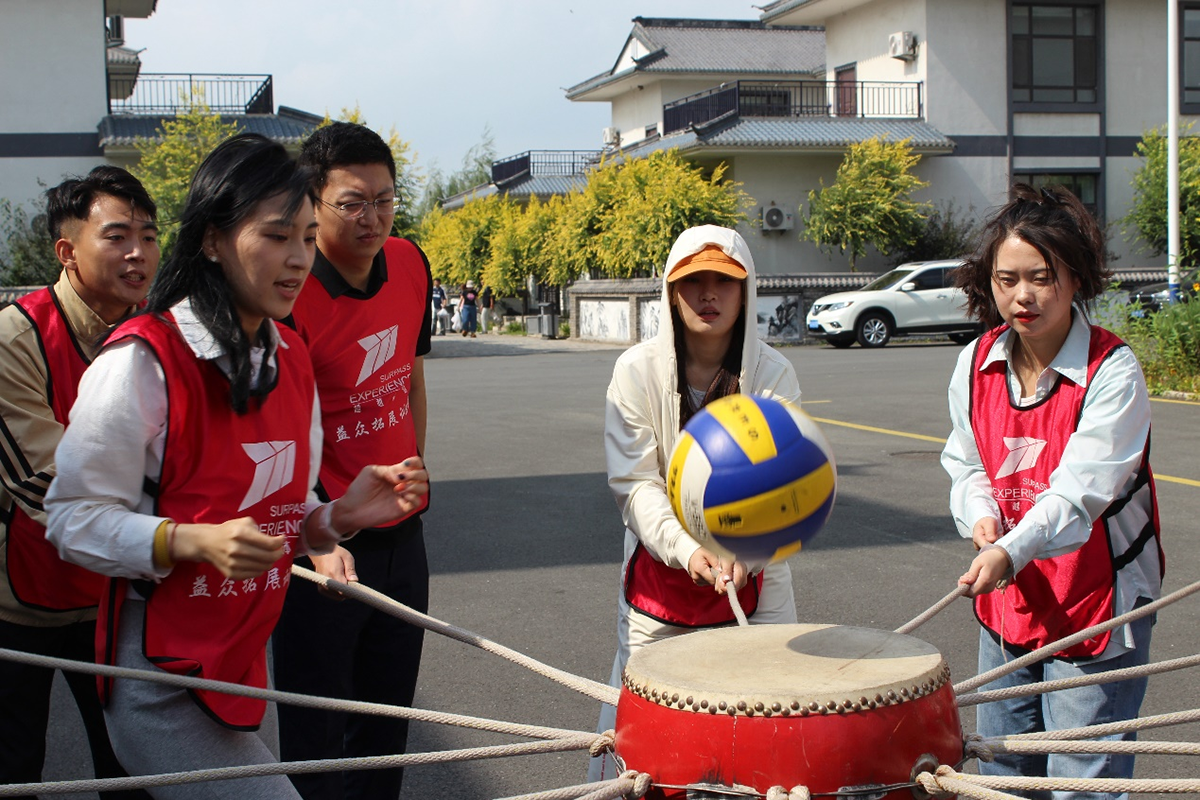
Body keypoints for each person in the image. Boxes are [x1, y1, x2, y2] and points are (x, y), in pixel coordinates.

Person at [44, 134, 429, 800]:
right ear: (213, 239)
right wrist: (190, 541)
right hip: (158, 678)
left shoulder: (289, 358)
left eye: (305, 237)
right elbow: (70, 518)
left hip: (236, 667)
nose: (298, 258)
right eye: (276, 236)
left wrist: (336, 518)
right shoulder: (143, 361)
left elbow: (277, 516)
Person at [942, 184, 1164, 799]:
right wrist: (981, 517)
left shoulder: (1111, 369)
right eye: (1006, 279)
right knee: (1002, 774)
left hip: (1095, 601)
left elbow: (1079, 493)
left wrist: (1009, 549)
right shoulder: (976, 362)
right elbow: (967, 461)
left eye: (1041, 277)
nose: (1023, 295)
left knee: (1082, 784)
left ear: (1076, 278)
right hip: (1010, 601)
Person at [589, 225, 800, 781]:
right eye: (693, 281)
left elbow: (783, 489)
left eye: (723, 282)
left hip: (757, 581)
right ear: (670, 291)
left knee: (770, 722)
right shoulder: (634, 371)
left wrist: (746, 552)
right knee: (643, 728)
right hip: (659, 576)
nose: (709, 294)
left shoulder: (774, 374)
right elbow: (635, 484)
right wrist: (687, 550)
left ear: (746, 291)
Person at [271, 121, 433, 800]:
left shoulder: (412, 263)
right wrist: (317, 534)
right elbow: (276, 426)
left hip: (403, 535)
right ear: (314, 202)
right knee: (317, 733)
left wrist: (417, 465)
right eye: (352, 203)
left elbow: (411, 378)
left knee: (387, 725)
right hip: (325, 544)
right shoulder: (289, 292)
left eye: (385, 200)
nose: (372, 217)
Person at [0, 166, 158, 799]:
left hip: (118, 601)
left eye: (149, 236)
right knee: (14, 770)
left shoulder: (162, 333)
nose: (138, 252)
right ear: (67, 251)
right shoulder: (16, 337)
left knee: (136, 770)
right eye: (117, 236)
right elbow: (46, 482)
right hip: (18, 602)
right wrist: (174, 531)